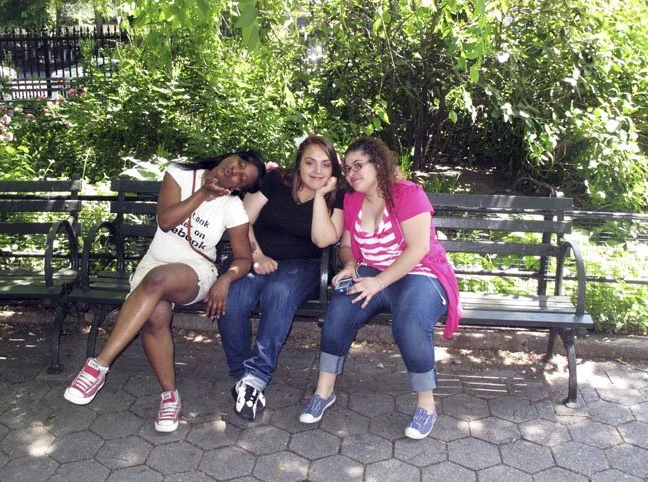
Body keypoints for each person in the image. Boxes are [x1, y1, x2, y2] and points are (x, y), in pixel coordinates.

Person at [64, 151, 266, 433]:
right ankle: (170, 397)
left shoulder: (232, 207)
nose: (237, 172)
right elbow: (166, 221)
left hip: (195, 271)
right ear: (231, 156)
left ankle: (99, 366)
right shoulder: (180, 174)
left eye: (244, 178)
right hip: (154, 263)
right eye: (240, 164)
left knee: (157, 281)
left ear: (239, 189)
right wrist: (203, 193)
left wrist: (226, 279)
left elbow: (244, 258)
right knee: (154, 315)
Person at [299, 136, 461, 440]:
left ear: (378, 163)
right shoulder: (352, 200)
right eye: (347, 169)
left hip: (420, 273)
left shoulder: (407, 193)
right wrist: (349, 266)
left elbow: (418, 249)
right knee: (339, 311)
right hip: (372, 272)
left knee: (410, 324)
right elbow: (346, 245)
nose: (352, 173)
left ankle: (426, 406)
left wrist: (379, 281)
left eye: (359, 165)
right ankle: (324, 391)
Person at [217, 135, 344, 421]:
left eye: (326, 164)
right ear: (298, 163)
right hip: (254, 256)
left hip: (302, 265)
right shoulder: (276, 181)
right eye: (310, 162)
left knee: (279, 293)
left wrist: (322, 197)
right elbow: (241, 219)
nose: (317, 170)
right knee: (234, 297)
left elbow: (323, 240)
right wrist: (257, 255)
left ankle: (257, 376)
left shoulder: (338, 194)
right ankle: (243, 378)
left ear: (333, 169)